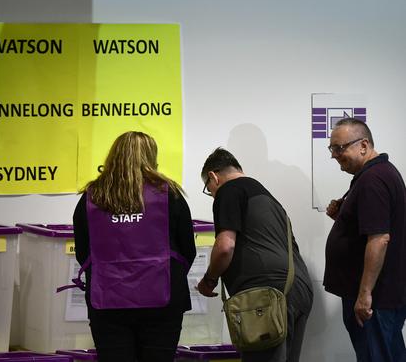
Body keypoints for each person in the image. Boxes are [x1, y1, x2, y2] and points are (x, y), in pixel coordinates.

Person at [71, 131, 196, 362]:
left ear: (113, 156)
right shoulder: (169, 194)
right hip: (163, 297)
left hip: (108, 299)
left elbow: (83, 252)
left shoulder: (91, 196)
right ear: (150, 157)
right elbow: (188, 249)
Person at [196, 148, 313, 362]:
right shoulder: (267, 197)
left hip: (266, 294)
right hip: (297, 289)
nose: (211, 193)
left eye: (208, 188)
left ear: (214, 176)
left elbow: (225, 247)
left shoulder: (229, 190)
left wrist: (208, 280)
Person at [323, 118, 406, 362]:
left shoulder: (373, 180)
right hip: (381, 298)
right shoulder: (377, 174)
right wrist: (342, 217)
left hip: (375, 301)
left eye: (340, 148)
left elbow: (380, 239)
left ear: (364, 145)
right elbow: (372, 230)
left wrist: (364, 294)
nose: (335, 155)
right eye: (332, 149)